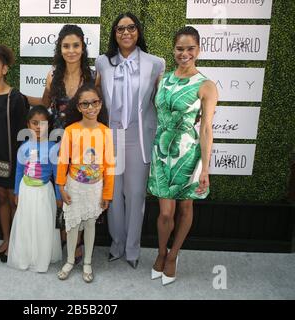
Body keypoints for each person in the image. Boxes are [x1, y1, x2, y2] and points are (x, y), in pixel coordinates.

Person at [147, 26, 217, 285]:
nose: (184, 53)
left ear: (198, 50)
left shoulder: (206, 85)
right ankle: (160, 252)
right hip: (162, 150)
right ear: (173, 49)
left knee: (185, 206)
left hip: (188, 153)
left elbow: (207, 129)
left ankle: (173, 255)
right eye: (180, 48)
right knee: (165, 212)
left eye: (190, 48)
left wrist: (206, 169)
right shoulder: (162, 79)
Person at [95, 13, 165, 269]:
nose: (126, 32)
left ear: (138, 31)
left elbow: (161, 101)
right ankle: (116, 245)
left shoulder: (156, 63)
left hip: (139, 136)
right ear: (114, 33)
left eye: (131, 27)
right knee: (112, 194)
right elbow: (94, 96)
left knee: (135, 194)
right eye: (120, 28)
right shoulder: (103, 62)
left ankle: (133, 249)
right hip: (111, 136)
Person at [27, 24, 100, 264]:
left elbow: (98, 108)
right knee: (62, 190)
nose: (71, 50)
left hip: (84, 143)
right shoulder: (52, 75)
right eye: (66, 46)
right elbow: (45, 106)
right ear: (60, 48)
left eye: (76, 45)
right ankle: (61, 238)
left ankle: (78, 244)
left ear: (83, 48)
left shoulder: (92, 76)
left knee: (80, 189)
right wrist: (16, 96)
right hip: (57, 141)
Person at [56, 84, 114, 283]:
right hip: (75, 187)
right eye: (85, 104)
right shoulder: (71, 131)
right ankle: (70, 260)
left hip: (95, 189)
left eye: (94, 102)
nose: (91, 107)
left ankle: (87, 261)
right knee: (72, 224)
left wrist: (107, 193)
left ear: (100, 104)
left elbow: (109, 165)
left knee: (90, 224)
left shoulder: (106, 132)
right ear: (79, 107)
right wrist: (61, 186)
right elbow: (63, 159)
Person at [0, 45, 29, 263]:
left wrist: (23, 164)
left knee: (14, 200)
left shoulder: (16, 97)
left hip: (13, 160)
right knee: (1, 199)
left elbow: (24, 134)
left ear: (5, 69)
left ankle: (18, 242)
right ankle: (6, 239)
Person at [7, 106, 62, 272]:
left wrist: (59, 195)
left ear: (49, 126)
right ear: (28, 125)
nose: (39, 127)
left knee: (43, 223)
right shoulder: (23, 147)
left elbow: (56, 173)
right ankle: (26, 255)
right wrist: (16, 191)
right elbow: (18, 170)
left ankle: (41, 258)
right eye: (34, 123)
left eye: (43, 123)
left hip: (44, 192)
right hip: (26, 190)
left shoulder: (53, 147)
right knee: (26, 222)